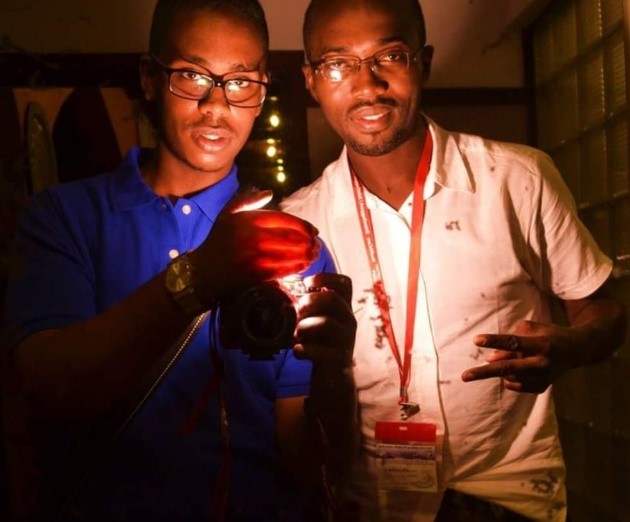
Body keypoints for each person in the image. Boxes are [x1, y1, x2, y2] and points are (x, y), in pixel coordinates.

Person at [1, 0, 358, 520]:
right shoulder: (66, 218)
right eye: (192, 76)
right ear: (149, 78)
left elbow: (305, 459)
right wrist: (199, 276)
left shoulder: (291, 246)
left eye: (239, 82)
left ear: (261, 92)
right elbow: (48, 389)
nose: (217, 106)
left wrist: (333, 375)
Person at [281, 0, 628, 521]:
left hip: (508, 497)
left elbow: (605, 310)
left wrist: (570, 346)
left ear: (424, 60)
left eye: (390, 55)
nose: (367, 84)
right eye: (337, 63)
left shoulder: (518, 180)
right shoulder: (299, 225)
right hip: (374, 505)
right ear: (310, 78)